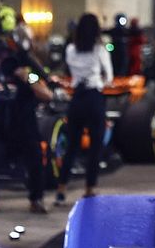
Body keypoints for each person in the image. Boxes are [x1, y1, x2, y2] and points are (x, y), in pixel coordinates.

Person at [0, 4, 53, 214]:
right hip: (0, 121)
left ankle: (36, 199)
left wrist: (27, 77)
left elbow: (46, 92)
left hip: (24, 120)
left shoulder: (23, 58)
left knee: (35, 158)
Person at [56, 13, 113, 204]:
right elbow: (110, 77)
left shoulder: (71, 49)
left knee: (72, 145)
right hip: (94, 97)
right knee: (95, 145)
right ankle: (89, 188)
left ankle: (62, 187)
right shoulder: (100, 50)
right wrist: (100, 81)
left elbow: (69, 72)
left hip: (77, 98)